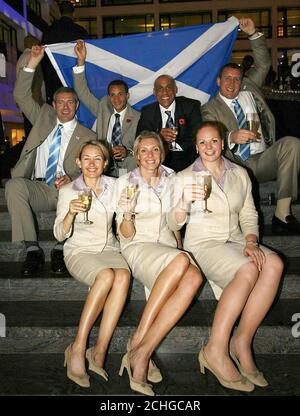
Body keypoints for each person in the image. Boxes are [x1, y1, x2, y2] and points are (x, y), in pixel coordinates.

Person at [169, 121, 283, 392]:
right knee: (247, 270)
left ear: (223, 143)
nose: (209, 147)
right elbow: (173, 224)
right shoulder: (183, 177)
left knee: (274, 263)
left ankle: (241, 341)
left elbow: (248, 213)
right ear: (196, 147)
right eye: (203, 143)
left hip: (234, 240)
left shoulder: (239, 173)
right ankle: (215, 349)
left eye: (214, 141)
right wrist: (183, 201)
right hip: (204, 244)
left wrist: (252, 240)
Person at [115, 131, 203, 396]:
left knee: (195, 277)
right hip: (137, 246)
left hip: (165, 247)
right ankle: (140, 346)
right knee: (180, 260)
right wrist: (128, 213)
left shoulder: (172, 179)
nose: (150, 155)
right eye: (144, 150)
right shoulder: (125, 182)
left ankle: (140, 349)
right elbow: (125, 234)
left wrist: (185, 204)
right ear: (136, 154)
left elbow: (176, 224)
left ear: (162, 152)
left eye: (155, 149)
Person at [201, 17, 300, 234]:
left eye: (237, 79)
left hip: (263, 158)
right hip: (237, 164)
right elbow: (212, 136)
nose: (232, 84)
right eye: (227, 79)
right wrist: (231, 137)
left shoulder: (249, 89)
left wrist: (254, 33)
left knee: (292, 143)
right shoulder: (210, 108)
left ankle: (282, 214)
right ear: (218, 81)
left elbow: (264, 63)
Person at [5, 45, 96, 276]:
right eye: (60, 103)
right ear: (54, 105)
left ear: (76, 106)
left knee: (82, 186)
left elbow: (92, 170)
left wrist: (73, 178)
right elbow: (21, 95)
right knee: (14, 185)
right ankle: (32, 249)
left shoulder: (88, 136)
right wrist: (33, 63)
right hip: (39, 188)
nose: (65, 107)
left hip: (68, 191)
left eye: (70, 103)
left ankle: (60, 247)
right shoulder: (42, 118)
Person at [53, 140, 130, 388]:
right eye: (86, 158)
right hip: (79, 251)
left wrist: (129, 212)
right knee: (107, 276)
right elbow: (59, 235)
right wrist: (70, 214)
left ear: (106, 163)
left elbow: (124, 222)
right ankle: (77, 347)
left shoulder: (115, 186)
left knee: (123, 276)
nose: (92, 164)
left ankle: (99, 351)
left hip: (109, 248)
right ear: (78, 162)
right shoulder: (68, 191)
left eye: (98, 158)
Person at [73, 40, 140, 178]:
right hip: (103, 168)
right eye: (113, 95)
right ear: (109, 97)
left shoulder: (138, 117)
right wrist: (80, 61)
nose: (117, 99)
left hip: (127, 169)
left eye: (120, 94)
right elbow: (82, 92)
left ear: (127, 96)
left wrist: (128, 152)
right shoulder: (102, 108)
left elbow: (143, 148)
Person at [136, 75, 202, 172]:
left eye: (168, 87)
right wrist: (158, 137)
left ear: (175, 90)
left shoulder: (191, 106)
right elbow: (139, 140)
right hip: (157, 165)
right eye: (160, 88)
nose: (164, 92)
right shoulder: (147, 112)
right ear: (154, 92)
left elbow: (198, 136)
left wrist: (174, 146)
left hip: (188, 163)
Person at [41, 1, 89, 104]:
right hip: (75, 79)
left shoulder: (50, 31)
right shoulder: (80, 32)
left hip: (54, 79)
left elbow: (44, 58)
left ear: (59, 12)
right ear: (73, 13)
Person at [16, 34, 46, 137]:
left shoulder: (21, 58)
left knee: (29, 133)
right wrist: (41, 102)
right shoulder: (33, 57)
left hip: (25, 101)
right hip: (34, 101)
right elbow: (37, 82)